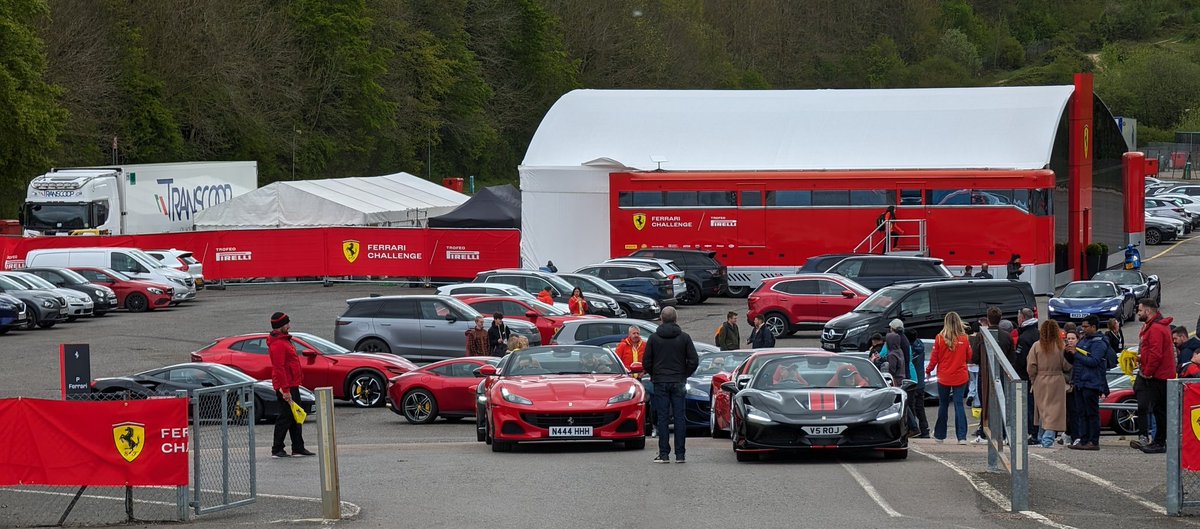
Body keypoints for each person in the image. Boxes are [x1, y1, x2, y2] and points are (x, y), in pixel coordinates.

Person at [643, 306, 699, 463]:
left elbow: (646, 361)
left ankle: (664, 454)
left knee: (662, 418)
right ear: (676, 319)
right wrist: (684, 374)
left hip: (660, 381)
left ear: (661, 318)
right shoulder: (684, 337)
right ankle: (680, 454)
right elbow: (694, 360)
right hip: (678, 381)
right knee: (680, 417)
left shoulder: (654, 338)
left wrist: (655, 374)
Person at [268, 312, 314, 458]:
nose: (289, 326)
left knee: (295, 416)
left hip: (292, 384)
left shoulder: (284, 340)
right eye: (286, 324)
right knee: (286, 416)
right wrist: (285, 390)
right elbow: (279, 368)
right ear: (280, 326)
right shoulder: (278, 344)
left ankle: (298, 447)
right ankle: (277, 449)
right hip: (285, 385)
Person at [1136, 298, 1174, 454]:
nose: (1138, 313)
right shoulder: (1155, 327)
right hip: (1160, 374)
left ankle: (1159, 442)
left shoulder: (1156, 329)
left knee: (1159, 410)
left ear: (1148, 311)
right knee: (1159, 409)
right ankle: (1159, 441)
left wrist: (1147, 372)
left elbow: (1156, 355)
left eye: (1139, 310)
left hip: (1159, 376)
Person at [1068, 316, 1110, 451]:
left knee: (1092, 413)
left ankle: (1093, 441)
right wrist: (1068, 352)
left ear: (1094, 327)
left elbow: (1094, 361)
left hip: (1091, 382)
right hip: (1080, 381)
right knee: (1081, 412)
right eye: (1083, 326)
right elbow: (1075, 361)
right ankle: (1084, 439)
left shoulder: (1100, 343)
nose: (1083, 329)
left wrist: (1076, 353)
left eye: (1086, 327)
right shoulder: (1084, 340)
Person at [928, 312, 971, 444]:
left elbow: (934, 357)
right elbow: (969, 357)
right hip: (960, 375)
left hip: (944, 376)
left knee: (943, 404)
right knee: (959, 404)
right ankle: (962, 436)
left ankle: (940, 435)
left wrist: (928, 370)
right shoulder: (964, 338)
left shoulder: (940, 338)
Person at [1027, 320, 1070, 448]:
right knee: (1054, 412)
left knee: (1042, 410)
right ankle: (1047, 438)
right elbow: (1066, 365)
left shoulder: (1036, 346)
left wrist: (1033, 380)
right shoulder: (1061, 345)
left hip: (1040, 379)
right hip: (1057, 379)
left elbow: (1031, 366)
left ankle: (1041, 436)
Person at [1014, 308, 1039, 444]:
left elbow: (1021, 360)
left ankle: (1032, 432)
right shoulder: (1038, 333)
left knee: (1029, 406)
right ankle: (1038, 432)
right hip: (1040, 376)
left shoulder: (1024, 338)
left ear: (1022, 318)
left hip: (1027, 377)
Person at [905, 328, 931, 438]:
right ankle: (925, 430)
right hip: (921, 381)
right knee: (920, 407)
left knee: (911, 406)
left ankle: (913, 428)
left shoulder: (910, 349)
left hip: (912, 381)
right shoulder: (920, 344)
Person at [1062, 330, 1080, 445]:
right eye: (1068, 338)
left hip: (1078, 384)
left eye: (1073, 338)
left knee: (1076, 411)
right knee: (1070, 411)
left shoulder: (1080, 352)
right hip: (1068, 385)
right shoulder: (1063, 353)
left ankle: (1074, 435)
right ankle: (1070, 434)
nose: (1070, 341)